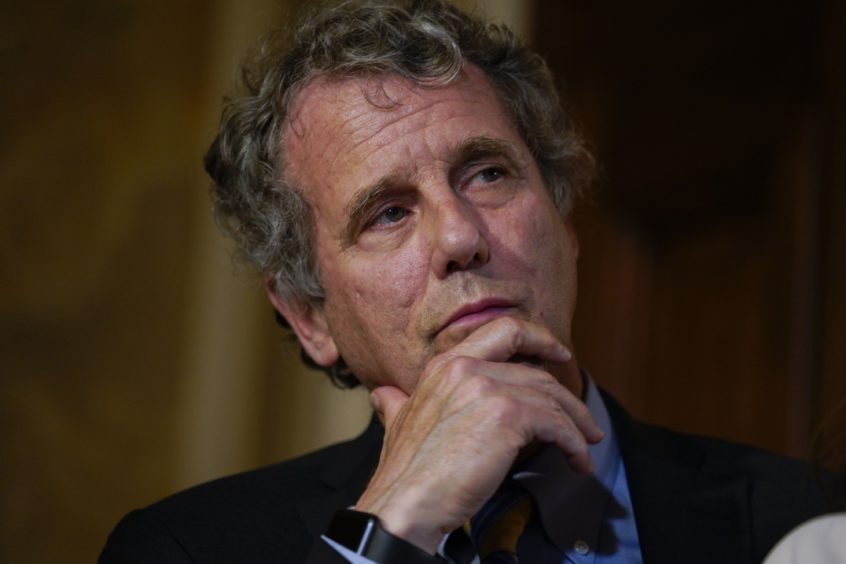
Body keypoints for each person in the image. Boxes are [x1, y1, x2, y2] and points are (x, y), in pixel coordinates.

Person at [99, 1, 834, 562]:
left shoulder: (805, 521)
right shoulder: (183, 548)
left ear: (566, 224)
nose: (459, 236)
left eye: (487, 173)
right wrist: (389, 533)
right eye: (387, 214)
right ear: (310, 318)